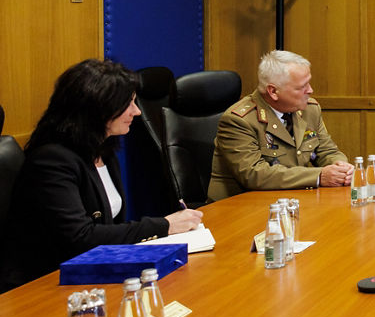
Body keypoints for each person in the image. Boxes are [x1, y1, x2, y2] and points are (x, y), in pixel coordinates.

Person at [1, 59, 203, 291]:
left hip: (88, 273)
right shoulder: (52, 160)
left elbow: (108, 227)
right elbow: (81, 238)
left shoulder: (103, 149)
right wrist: (164, 225)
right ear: (98, 109)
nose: (137, 112)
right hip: (41, 284)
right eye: (128, 105)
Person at [208, 50, 353, 201]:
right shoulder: (239, 120)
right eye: (301, 87)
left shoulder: (310, 110)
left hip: (291, 201)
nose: (310, 90)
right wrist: (319, 176)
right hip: (239, 208)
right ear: (273, 91)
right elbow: (254, 174)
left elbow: (326, 150)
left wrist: (340, 167)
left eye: (308, 82)